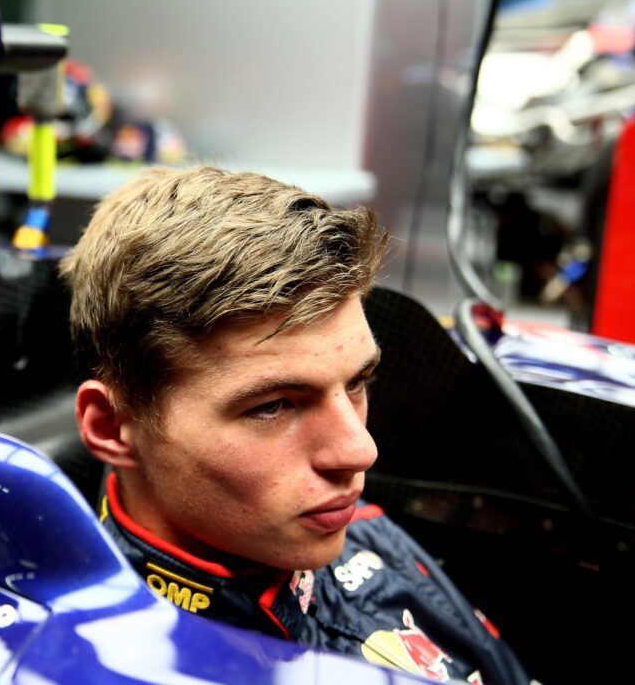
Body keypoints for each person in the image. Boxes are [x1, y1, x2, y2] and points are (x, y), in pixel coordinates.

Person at [60, 166, 529, 684]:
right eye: (273, 406)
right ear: (111, 428)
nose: (359, 451)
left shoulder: (339, 520)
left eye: (357, 383)